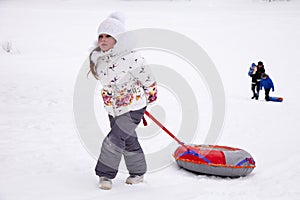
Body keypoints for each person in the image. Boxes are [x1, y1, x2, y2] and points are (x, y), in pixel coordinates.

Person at [88, 12, 157, 190]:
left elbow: (148, 78)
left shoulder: (131, 57)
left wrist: (150, 95)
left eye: (108, 36)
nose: (103, 40)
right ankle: (138, 173)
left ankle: (105, 174)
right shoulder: (99, 58)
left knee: (115, 138)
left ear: (118, 39)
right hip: (113, 108)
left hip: (134, 106)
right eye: (101, 36)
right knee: (128, 139)